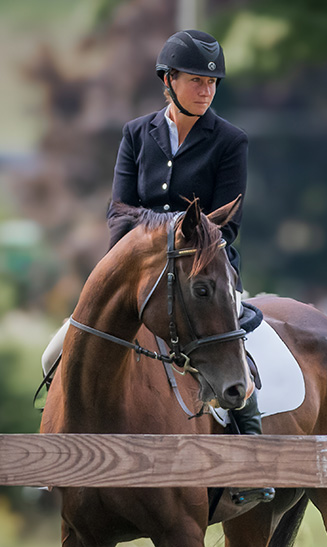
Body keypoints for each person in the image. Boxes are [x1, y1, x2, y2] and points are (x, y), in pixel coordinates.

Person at [108, 29, 270, 504]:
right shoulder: (137, 134)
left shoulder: (230, 140)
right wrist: (167, 232)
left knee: (235, 342)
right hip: (141, 272)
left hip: (206, 271)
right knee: (59, 349)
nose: (207, 89)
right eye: (197, 80)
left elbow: (228, 224)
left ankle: (252, 459)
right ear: (169, 80)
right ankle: (55, 451)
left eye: (213, 82)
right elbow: (120, 214)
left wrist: (161, 227)